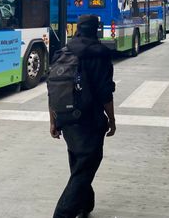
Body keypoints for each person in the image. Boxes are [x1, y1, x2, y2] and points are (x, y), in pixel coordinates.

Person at [50, 15, 116, 218]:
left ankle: (84, 205)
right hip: (90, 119)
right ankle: (63, 213)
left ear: (78, 29)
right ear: (96, 29)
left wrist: (53, 121)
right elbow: (105, 91)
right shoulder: (99, 54)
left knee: (79, 161)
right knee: (86, 166)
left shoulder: (62, 52)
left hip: (67, 119)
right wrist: (112, 120)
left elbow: (52, 89)